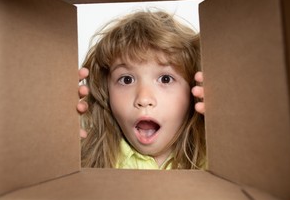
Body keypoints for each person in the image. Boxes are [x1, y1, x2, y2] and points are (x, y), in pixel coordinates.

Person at [77, 9, 205, 170]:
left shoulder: (215, 157)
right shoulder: (84, 158)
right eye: (126, 79)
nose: (144, 99)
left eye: (165, 79)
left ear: (193, 90)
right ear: (106, 91)